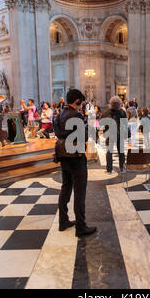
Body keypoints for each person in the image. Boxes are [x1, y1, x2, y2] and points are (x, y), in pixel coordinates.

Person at [54, 89, 96, 237]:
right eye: (81, 102)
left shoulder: (59, 115)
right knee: (79, 192)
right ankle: (81, 226)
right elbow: (83, 136)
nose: (81, 105)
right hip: (76, 157)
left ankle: (63, 220)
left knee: (65, 188)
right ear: (77, 101)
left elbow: (58, 134)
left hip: (63, 156)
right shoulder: (76, 115)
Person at [102, 96, 127, 174]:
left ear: (111, 104)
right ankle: (122, 168)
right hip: (120, 134)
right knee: (121, 152)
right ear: (120, 104)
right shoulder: (123, 112)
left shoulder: (106, 113)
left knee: (109, 152)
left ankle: (109, 170)